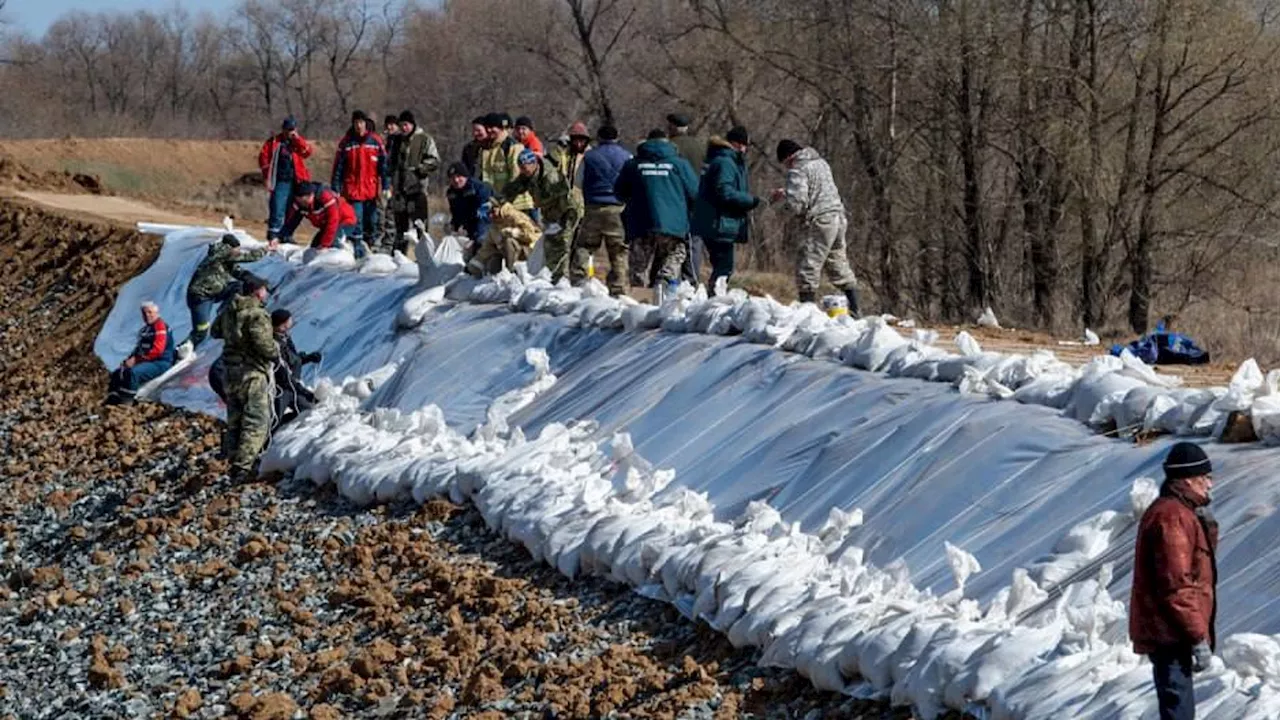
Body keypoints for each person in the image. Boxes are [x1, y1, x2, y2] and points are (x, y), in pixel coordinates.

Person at [1130, 442, 1218, 720]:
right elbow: (1176, 584)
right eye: (1205, 478)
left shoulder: (1181, 513)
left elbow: (1196, 564)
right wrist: (1196, 635)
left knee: (1179, 708)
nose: (1210, 485)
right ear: (1188, 480)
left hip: (1173, 630)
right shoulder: (1172, 518)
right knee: (1178, 710)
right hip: (1171, 633)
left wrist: (1207, 525)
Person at [770, 139, 861, 315]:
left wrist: (782, 208)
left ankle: (808, 313)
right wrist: (787, 191)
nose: (787, 168)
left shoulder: (797, 169)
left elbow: (798, 204)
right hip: (838, 217)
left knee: (808, 266)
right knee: (838, 263)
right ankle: (855, 309)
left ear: (788, 158)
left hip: (821, 221)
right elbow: (816, 189)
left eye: (785, 164)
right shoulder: (820, 163)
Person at [614, 129, 699, 297]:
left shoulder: (633, 165)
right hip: (674, 227)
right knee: (674, 257)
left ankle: (640, 306)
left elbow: (619, 193)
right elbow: (695, 193)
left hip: (641, 225)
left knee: (639, 271)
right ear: (667, 142)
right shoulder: (680, 164)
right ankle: (664, 291)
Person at [210, 275, 278, 483]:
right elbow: (263, 344)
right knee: (256, 420)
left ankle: (233, 459)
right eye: (264, 290)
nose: (266, 293)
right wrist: (275, 350)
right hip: (251, 372)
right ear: (258, 291)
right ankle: (243, 467)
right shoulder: (257, 314)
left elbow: (215, 331)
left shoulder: (230, 309)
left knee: (235, 420)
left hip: (229, 372)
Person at [692, 126, 762, 294]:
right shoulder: (726, 162)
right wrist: (751, 200)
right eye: (744, 145)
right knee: (724, 268)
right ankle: (715, 299)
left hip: (716, 222)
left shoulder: (719, 159)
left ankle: (714, 297)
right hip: (719, 223)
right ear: (736, 144)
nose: (745, 149)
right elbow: (725, 192)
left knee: (721, 266)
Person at [501, 149, 582, 283]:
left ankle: (561, 282)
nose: (524, 171)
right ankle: (555, 280)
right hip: (552, 216)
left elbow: (567, 202)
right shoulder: (529, 175)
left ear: (533, 164)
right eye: (521, 168)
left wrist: (563, 224)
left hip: (568, 213)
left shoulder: (551, 177)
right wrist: (497, 201)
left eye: (525, 167)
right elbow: (513, 188)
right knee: (552, 247)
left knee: (561, 246)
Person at [571, 125, 632, 295]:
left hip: (593, 208)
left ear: (598, 138)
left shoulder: (589, 157)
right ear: (617, 137)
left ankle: (580, 281)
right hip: (619, 209)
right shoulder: (627, 156)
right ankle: (619, 287)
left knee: (585, 247)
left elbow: (578, 181)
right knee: (619, 250)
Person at [183, 233, 272, 349]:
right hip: (200, 297)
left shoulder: (225, 260)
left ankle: (225, 314)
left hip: (214, 293)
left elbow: (241, 274)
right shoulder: (222, 252)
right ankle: (183, 349)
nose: (238, 252)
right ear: (231, 247)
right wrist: (266, 249)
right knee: (201, 330)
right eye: (237, 249)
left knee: (237, 286)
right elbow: (249, 257)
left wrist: (262, 284)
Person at [331, 110, 389, 259]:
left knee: (373, 221)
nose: (359, 126)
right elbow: (338, 167)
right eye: (356, 122)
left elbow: (384, 166)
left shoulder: (375, 142)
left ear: (366, 123)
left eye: (361, 122)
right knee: (357, 220)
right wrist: (335, 187)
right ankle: (357, 250)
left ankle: (370, 246)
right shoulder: (346, 143)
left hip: (371, 190)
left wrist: (386, 186)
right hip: (353, 190)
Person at [389, 110, 441, 254]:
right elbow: (390, 162)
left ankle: (425, 256)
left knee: (421, 226)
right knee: (400, 228)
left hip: (417, 189)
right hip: (399, 190)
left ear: (412, 124)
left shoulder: (424, 139)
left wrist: (419, 169)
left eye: (406, 125)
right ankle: (399, 257)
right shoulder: (396, 140)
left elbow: (435, 161)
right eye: (401, 125)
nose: (404, 128)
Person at [106, 302, 176, 405]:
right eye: (144, 313)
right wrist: (129, 360)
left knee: (134, 373)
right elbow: (139, 349)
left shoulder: (160, 327)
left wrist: (137, 360)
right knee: (118, 373)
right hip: (147, 361)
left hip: (160, 362)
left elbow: (157, 350)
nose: (147, 315)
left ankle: (126, 402)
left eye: (150, 312)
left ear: (157, 313)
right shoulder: (145, 330)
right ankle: (113, 399)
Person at [259, 116, 314, 241]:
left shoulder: (297, 141)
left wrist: (298, 139)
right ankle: (274, 234)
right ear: (283, 130)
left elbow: (307, 152)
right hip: (280, 180)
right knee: (278, 206)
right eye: (288, 130)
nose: (290, 132)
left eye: (292, 129)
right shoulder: (274, 142)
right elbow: (263, 158)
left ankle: (287, 234)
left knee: (294, 209)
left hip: (297, 180)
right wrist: (267, 175)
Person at [270, 309, 320, 429]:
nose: (292, 321)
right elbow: (282, 373)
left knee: (309, 410)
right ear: (282, 325)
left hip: (292, 387)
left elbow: (292, 361)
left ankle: (282, 429)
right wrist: (304, 391)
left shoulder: (285, 338)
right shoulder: (273, 345)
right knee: (272, 424)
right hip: (281, 390)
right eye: (289, 319)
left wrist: (308, 358)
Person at [465, 202, 543, 277]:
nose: (491, 215)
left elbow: (532, 236)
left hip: (530, 251)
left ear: (498, 207)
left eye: (492, 211)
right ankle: (496, 278)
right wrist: (476, 262)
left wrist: (515, 233)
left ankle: (511, 272)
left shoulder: (513, 215)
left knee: (508, 241)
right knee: (492, 261)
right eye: (488, 214)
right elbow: (487, 248)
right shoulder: (494, 228)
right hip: (510, 254)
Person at [280, 181, 358, 252]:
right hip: (326, 226)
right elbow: (291, 222)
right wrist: (279, 237)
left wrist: (325, 245)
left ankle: (350, 253)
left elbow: (333, 221)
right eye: (299, 201)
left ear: (311, 195)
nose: (302, 204)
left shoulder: (326, 197)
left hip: (345, 221)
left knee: (332, 244)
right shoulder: (300, 204)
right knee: (314, 248)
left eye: (304, 201)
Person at [481, 113, 532, 218]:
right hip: (499, 204)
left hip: (518, 204)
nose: (489, 130)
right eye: (487, 128)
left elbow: (517, 177)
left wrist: (505, 201)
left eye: (492, 127)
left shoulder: (512, 147)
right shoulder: (488, 149)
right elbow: (488, 178)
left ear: (500, 128)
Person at [446, 162, 494, 248]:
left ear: (465, 176)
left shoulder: (479, 188)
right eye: (452, 178)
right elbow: (456, 214)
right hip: (470, 226)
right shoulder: (452, 193)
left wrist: (476, 237)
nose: (456, 180)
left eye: (459, 176)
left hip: (487, 225)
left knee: (480, 243)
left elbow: (484, 215)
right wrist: (453, 227)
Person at [378, 115, 402, 251]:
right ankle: (386, 244)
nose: (389, 127)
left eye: (392, 124)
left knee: (392, 215)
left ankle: (391, 245)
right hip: (384, 182)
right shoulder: (384, 141)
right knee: (383, 215)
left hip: (396, 183)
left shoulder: (400, 141)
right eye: (387, 124)